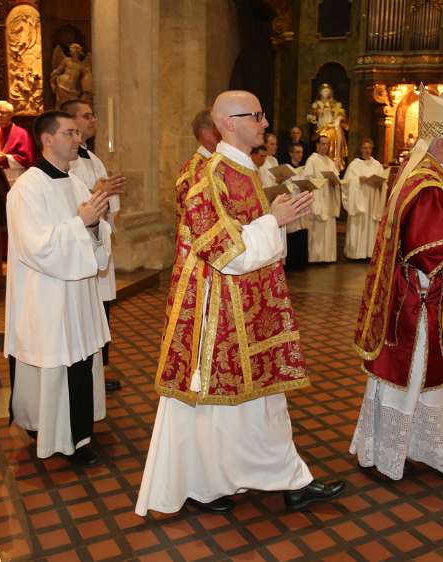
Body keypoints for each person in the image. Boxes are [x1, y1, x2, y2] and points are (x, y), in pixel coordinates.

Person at [136, 90, 344, 516]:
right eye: (258, 116)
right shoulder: (208, 177)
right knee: (219, 411)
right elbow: (226, 253)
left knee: (263, 402)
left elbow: (251, 235)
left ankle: (288, 479)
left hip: (253, 306)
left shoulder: (245, 171)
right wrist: (275, 220)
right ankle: (205, 484)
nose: (266, 124)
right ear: (230, 122)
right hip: (219, 316)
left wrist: (274, 215)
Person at [350, 78, 443, 480]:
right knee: (426, 378)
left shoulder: (422, 176)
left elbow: (435, 231)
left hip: (417, 298)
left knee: (420, 381)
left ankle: (426, 451)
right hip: (425, 302)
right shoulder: (429, 182)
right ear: (440, 145)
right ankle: (441, 453)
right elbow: (430, 249)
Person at [4, 110, 113, 466]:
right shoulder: (27, 188)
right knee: (58, 364)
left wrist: (95, 228)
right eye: (69, 133)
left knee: (80, 362)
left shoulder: (76, 182)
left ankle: (79, 433)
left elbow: (95, 231)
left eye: (77, 134)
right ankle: (62, 439)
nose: (78, 140)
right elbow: (36, 247)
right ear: (47, 139)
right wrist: (80, 223)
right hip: (48, 295)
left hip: (78, 294)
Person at [61, 99, 126, 397]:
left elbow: (100, 199)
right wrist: (99, 192)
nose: (93, 120)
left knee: (102, 311)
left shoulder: (92, 157)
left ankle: (99, 371)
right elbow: (72, 206)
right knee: (91, 312)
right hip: (82, 249)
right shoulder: (67, 163)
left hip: (99, 243)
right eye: (86, 116)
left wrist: (108, 192)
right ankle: (91, 373)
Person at [174, 108, 221, 229]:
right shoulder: (192, 172)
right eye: (219, 127)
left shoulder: (219, 162)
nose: (224, 132)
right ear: (206, 133)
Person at [342, 139, 387, 260]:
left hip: (372, 200)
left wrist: (380, 184)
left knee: (371, 226)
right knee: (358, 224)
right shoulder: (354, 164)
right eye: (365, 148)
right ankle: (355, 254)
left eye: (369, 148)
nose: (367, 150)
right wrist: (357, 180)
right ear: (361, 149)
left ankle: (369, 253)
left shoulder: (377, 165)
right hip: (359, 201)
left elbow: (383, 182)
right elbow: (346, 183)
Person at [0, 100, 35, 185]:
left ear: (11, 115)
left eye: (3, 112)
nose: (0, 115)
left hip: (16, 176)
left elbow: (27, 159)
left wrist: (7, 158)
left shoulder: (22, 133)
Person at [304, 135, 341, 263]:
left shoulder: (330, 162)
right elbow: (307, 180)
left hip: (328, 198)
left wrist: (334, 182)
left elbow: (335, 179)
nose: (325, 147)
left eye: (327, 144)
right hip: (318, 199)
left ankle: (327, 257)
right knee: (317, 230)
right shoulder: (312, 160)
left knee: (328, 228)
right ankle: (315, 258)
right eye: (323, 144)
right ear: (317, 145)